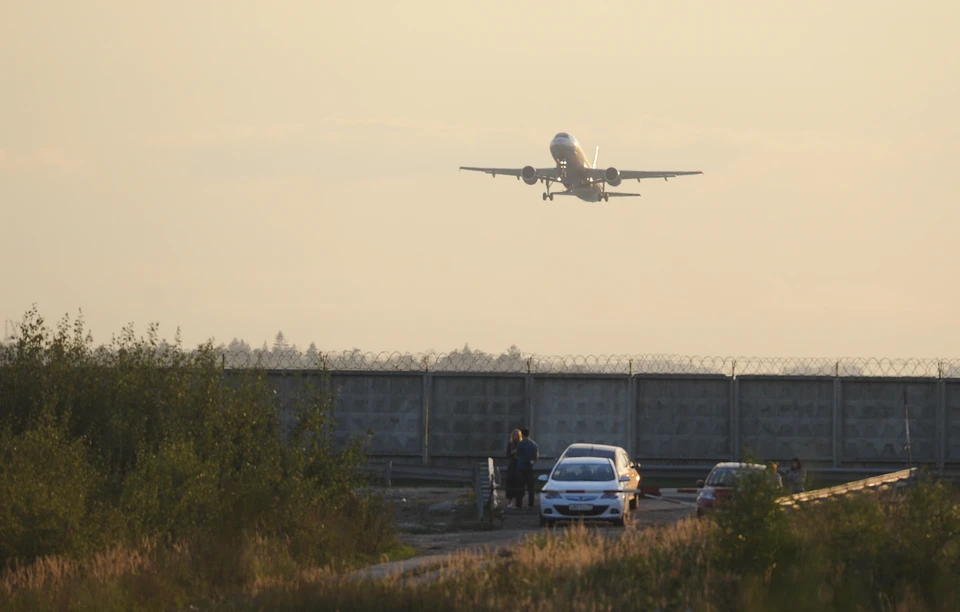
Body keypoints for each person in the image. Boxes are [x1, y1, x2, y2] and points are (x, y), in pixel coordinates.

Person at [515, 428, 539, 509]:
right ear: (529, 434)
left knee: (520, 486)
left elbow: (516, 454)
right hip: (530, 466)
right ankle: (531, 504)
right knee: (530, 486)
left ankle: (519, 504)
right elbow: (536, 457)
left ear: (522, 434)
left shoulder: (520, 444)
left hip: (521, 466)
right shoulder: (533, 444)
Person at [505, 429, 522, 508]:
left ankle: (518, 502)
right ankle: (510, 501)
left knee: (518, 483)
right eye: (515, 435)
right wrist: (513, 452)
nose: (516, 437)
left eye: (517, 435)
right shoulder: (510, 444)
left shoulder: (521, 444)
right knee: (510, 483)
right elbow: (507, 454)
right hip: (512, 465)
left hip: (519, 465)